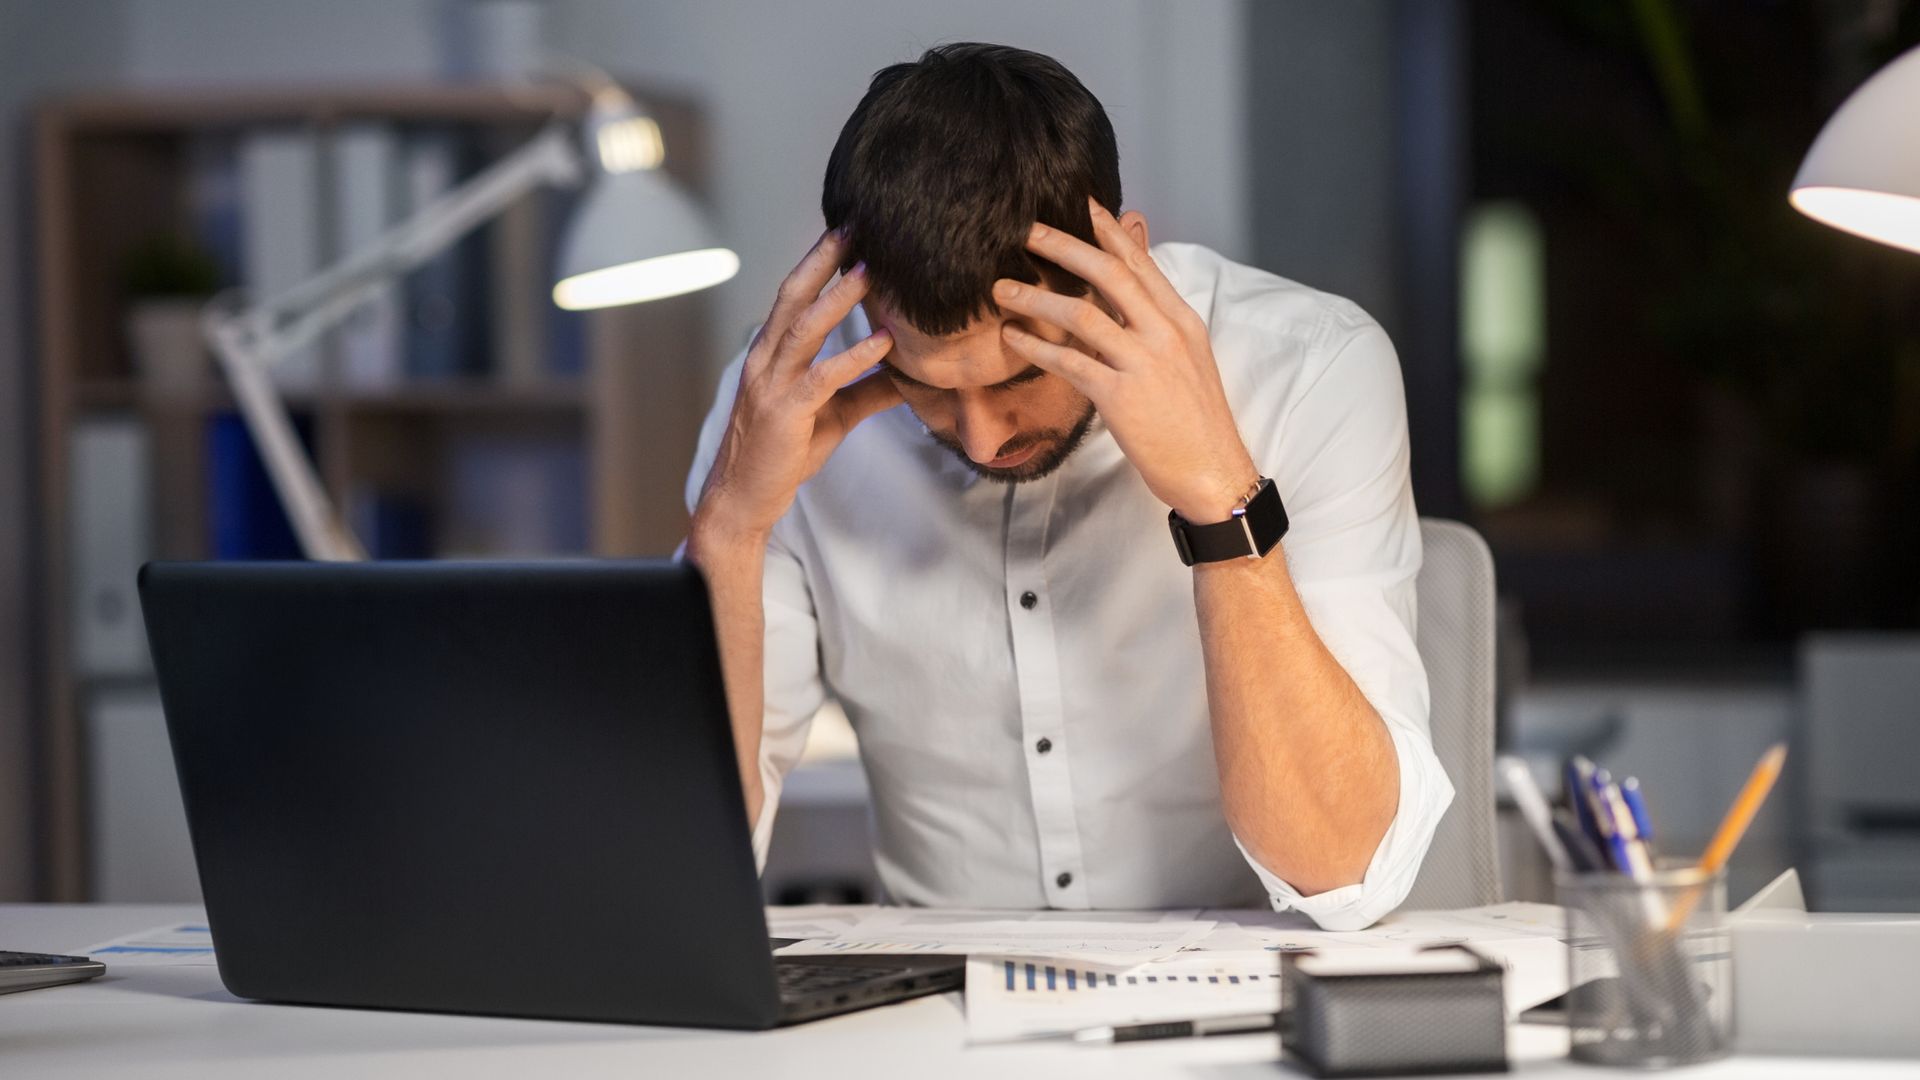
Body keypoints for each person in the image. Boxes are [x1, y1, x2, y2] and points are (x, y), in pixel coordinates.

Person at [683, 42, 1452, 930]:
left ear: (1122, 260)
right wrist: (731, 529)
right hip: (931, 1015)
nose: (979, 434)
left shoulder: (1310, 369)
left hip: (1237, 1005)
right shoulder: (781, 408)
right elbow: (690, 863)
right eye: (925, 385)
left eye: (1019, 378)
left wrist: (1219, 497)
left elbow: (1346, 869)